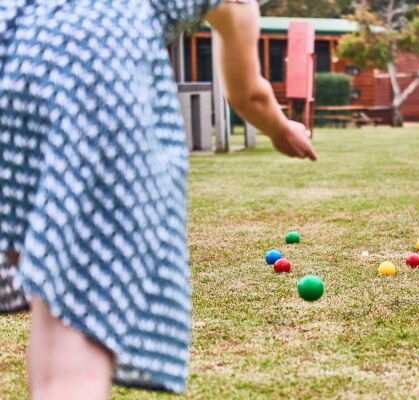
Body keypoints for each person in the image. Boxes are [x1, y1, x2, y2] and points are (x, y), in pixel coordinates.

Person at [0, 0, 316, 398]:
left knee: (53, 304)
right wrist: (281, 129)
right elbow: (248, 93)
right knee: (74, 326)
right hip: (89, 60)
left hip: (10, 48)